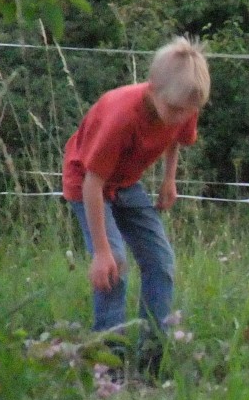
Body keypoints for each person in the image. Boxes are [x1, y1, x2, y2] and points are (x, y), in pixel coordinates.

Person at [62, 37, 210, 374]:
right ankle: (108, 367)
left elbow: (176, 139)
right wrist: (102, 253)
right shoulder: (121, 116)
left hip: (126, 183)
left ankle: (150, 359)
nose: (181, 118)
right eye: (175, 110)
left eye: (189, 111)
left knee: (161, 262)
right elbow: (92, 184)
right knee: (114, 268)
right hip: (87, 183)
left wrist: (169, 179)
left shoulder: (183, 102)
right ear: (153, 87)